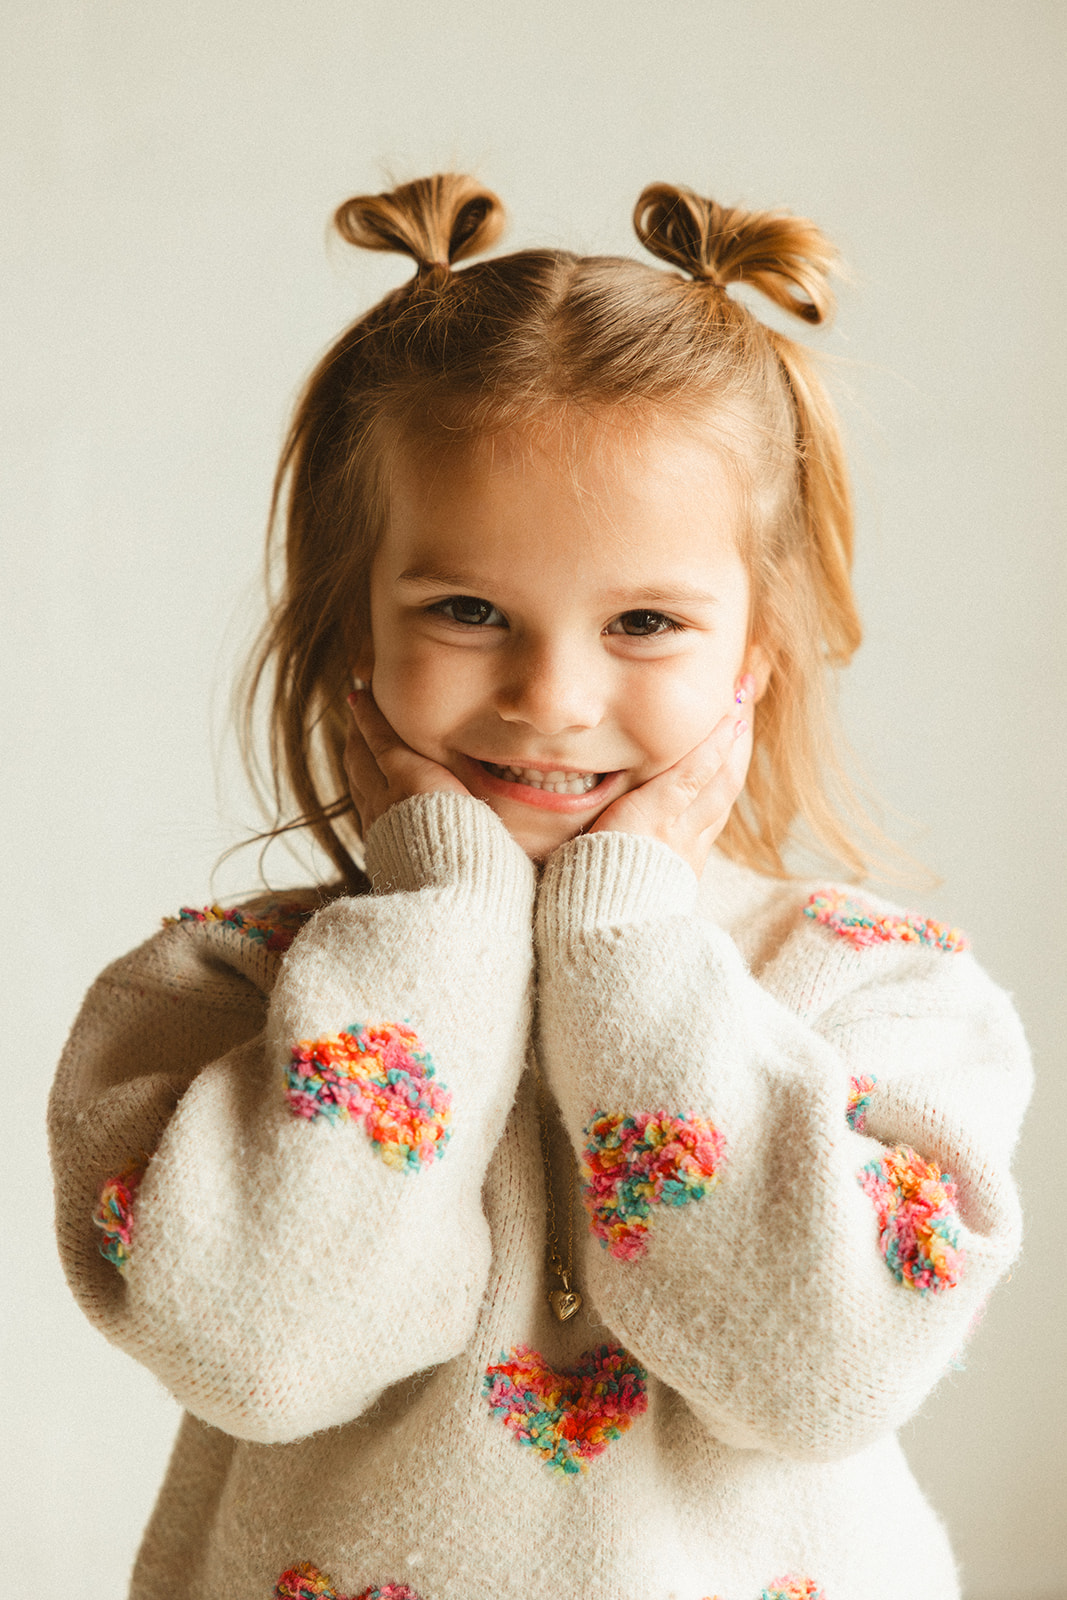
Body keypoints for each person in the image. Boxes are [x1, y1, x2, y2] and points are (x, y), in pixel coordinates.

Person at [48, 174, 1032, 1600]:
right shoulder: (211, 994)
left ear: (753, 652)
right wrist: (439, 929)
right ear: (352, 629)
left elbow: (824, 1376)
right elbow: (259, 1352)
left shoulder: (883, 992)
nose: (553, 696)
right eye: (465, 611)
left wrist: (627, 940)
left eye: (644, 622)